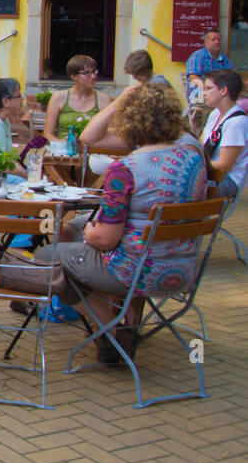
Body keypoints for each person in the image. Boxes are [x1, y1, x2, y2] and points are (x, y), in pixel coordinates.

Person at [34, 84, 208, 362]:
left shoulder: (126, 169)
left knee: (46, 257)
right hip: (182, 269)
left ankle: (108, 327)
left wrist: (90, 232)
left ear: (129, 120)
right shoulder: (193, 159)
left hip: (135, 271)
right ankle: (122, 319)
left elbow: (104, 240)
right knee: (78, 235)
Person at [201, 70, 248, 201]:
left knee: (186, 189)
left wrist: (194, 165)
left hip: (227, 180)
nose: (204, 93)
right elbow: (201, 145)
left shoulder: (237, 123)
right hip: (210, 173)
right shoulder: (215, 114)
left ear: (224, 91)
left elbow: (224, 165)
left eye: (209, 88)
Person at [43, 54, 112, 141]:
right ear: (74, 76)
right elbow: (47, 133)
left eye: (95, 72)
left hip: (93, 149)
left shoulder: (104, 99)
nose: (93, 76)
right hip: (63, 149)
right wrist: (63, 145)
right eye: (87, 73)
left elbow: (111, 130)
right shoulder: (59, 98)